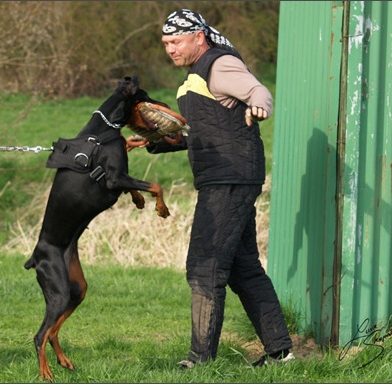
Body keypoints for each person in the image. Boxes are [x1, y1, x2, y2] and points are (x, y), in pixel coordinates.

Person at [126, 9, 294, 368]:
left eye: (176, 41)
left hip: (229, 178)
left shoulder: (219, 65)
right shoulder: (193, 79)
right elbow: (201, 133)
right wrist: (154, 141)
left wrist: (259, 108)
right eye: (166, 43)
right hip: (226, 176)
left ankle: (200, 361)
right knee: (242, 266)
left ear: (198, 37)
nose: (170, 49)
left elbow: (258, 91)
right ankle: (281, 353)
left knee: (204, 267)